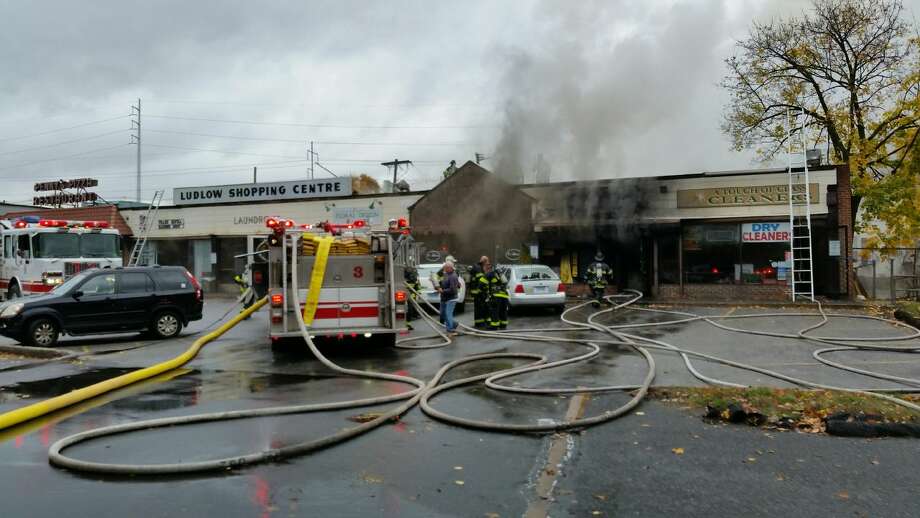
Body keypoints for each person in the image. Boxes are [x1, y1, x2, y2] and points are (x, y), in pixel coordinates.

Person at [437, 261, 461, 336]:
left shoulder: (453, 276)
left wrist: (442, 291)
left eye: (446, 268)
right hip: (444, 298)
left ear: (450, 268)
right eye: (444, 268)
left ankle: (450, 330)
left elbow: (453, 290)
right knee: (443, 314)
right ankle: (454, 324)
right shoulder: (446, 274)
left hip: (451, 298)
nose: (444, 269)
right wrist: (438, 286)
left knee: (448, 314)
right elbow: (443, 283)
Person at [486, 263, 509, 330]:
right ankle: (503, 325)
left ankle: (494, 326)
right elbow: (505, 283)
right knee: (503, 311)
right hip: (504, 296)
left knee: (494, 311)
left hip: (496, 296)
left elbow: (482, 283)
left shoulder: (490, 274)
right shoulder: (502, 275)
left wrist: (480, 289)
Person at [470, 256, 490, 329]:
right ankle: (480, 323)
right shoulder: (478, 268)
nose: (488, 264)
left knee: (479, 308)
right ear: (484, 261)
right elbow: (482, 280)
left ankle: (479, 322)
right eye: (487, 262)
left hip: (477, 292)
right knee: (480, 308)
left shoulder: (477, 267)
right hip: (479, 292)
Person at [404, 267, 422, 331]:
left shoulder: (415, 279)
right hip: (403, 297)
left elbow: (418, 287)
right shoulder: (403, 280)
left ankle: (408, 324)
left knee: (410, 311)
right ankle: (405, 324)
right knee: (404, 311)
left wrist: (419, 293)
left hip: (411, 298)